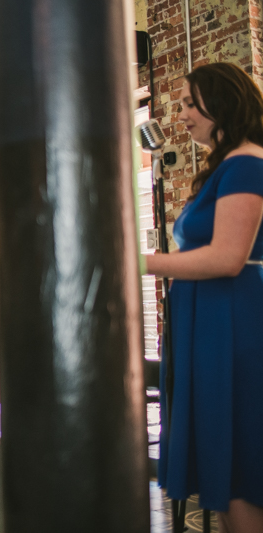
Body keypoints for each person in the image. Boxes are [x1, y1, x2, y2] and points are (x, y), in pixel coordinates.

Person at [145, 62, 263, 533]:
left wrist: (136, 262)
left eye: (192, 103)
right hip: (210, 319)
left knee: (237, 462)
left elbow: (226, 258)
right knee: (221, 461)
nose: (184, 114)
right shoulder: (226, 166)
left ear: (224, 103)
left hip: (232, 320)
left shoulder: (247, 164)